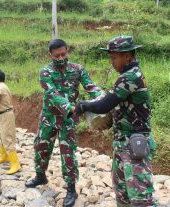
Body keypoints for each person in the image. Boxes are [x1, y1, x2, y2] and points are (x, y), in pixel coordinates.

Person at [75, 36, 157, 207]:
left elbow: (105, 105)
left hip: (133, 144)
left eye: (114, 57)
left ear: (127, 56)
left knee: (141, 198)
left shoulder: (130, 77)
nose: (111, 61)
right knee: (123, 193)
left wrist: (82, 106)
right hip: (122, 143)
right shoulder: (126, 76)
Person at [25, 39, 103, 207]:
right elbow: (52, 94)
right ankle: (40, 175)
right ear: (50, 55)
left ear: (67, 50)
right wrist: (71, 107)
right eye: (57, 55)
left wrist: (103, 98)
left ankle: (71, 189)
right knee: (41, 147)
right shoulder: (45, 72)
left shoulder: (78, 69)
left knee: (68, 154)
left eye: (63, 54)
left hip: (68, 120)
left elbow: (90, 86)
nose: (61, 58)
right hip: (49, 117)